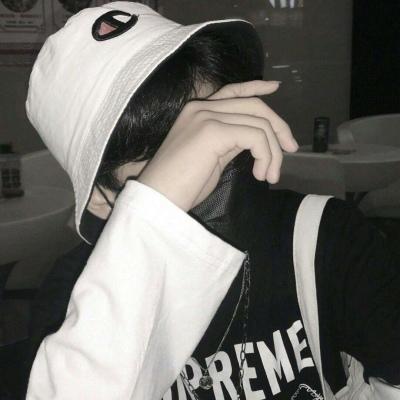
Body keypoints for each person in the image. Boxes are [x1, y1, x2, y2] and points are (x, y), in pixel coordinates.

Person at [22, 2, 400, 399]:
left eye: (212, 119)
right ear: (101, 198)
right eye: (167, 150)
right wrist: (156, 207)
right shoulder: (72, 299)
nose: (208, 152)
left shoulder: (328, 236)